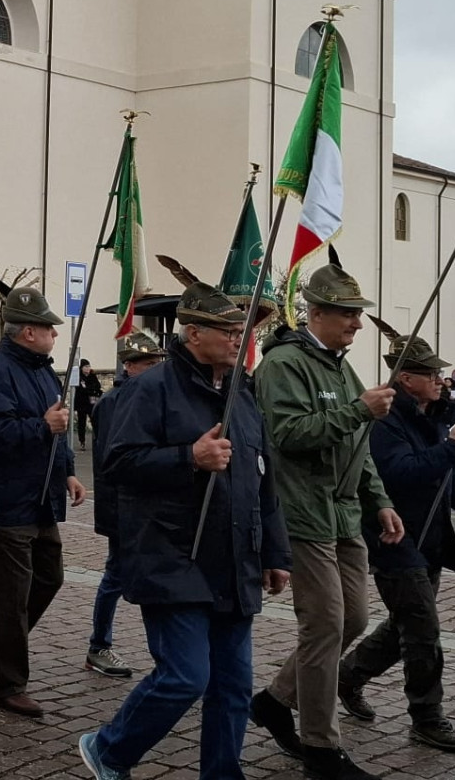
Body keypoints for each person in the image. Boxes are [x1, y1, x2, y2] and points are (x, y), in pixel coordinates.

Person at [78, 282, 293, 780]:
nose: (242, 338)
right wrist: (188, 458)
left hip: (234, 557)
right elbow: (117, 462)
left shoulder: (242, 394)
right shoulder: (149, 389)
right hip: (172, 552)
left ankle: (222, 773)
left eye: (245, 330)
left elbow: (263, 479)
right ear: (193, 332)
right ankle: (110, 749)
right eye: (230, 330)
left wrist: (274, 553)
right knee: (185, 676)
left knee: (234, 684)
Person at [250, 259, 403, 780]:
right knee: (325, 626)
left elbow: (359, 446)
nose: (357, 324)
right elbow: (289, 435)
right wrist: (359, 410)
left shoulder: (341, 364)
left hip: (343, 515)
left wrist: (379, 499)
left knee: (354, 619)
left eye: (358, 314)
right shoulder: (283, 365)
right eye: (347, 314)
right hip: (300, 512)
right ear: (315, 313)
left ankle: (275, 701)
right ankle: (321, 746)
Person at [338, 334, 455, 753]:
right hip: (394, 537)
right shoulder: (386, 421)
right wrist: (450, 448)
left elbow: (451, 475)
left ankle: (348, 675)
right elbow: (401, 473)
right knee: (423, 631)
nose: (441, 380)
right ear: (406, 379)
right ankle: (427, 717)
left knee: (404, 625)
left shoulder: (437, 416)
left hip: (431, 538)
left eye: (440, 373)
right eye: (431, 374)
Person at [0, 287, 87, 717]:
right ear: (28, 332)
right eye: (49, 328)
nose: (55, 333)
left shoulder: (43, 372)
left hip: (38, 498)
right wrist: (41, 426)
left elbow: (60, 426)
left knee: (50, 577)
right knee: (11, 597)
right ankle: (9, 682)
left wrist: (68, 468)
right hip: (2, 502)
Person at [85, 331, 168, 680]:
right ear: (129, 366)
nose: (154, 370)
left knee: (158, 579)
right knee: (116, 577)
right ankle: (99, 644)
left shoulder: (154, 396)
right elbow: (114, 465)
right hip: (122, 508)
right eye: (148, 364)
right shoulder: (113, 403)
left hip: (152, 508)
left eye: (157, 364)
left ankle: (165, 656)